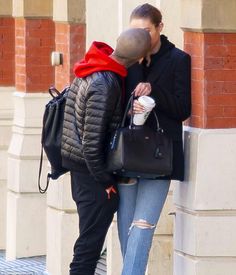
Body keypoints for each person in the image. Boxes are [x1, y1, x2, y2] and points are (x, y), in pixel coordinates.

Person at [61, 28, 151, 275]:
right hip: (90, 173)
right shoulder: (105, 82)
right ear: (140, 58)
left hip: (79, 168)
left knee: (88, 241)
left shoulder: (93, 66)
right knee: (89, 247)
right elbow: (92, 144)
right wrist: (106, 182)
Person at [117, 3, 191, 275]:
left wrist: (154, 94)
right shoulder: (126, 59)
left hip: (160, 156)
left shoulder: (178, 59)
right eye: (135, 31)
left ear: (160, 27)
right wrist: (131, 105)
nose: (140, 38)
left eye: (146, 31)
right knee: (126, 225)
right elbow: (114, 105)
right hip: (126, 153)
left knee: (143, 225)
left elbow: (184, 109)